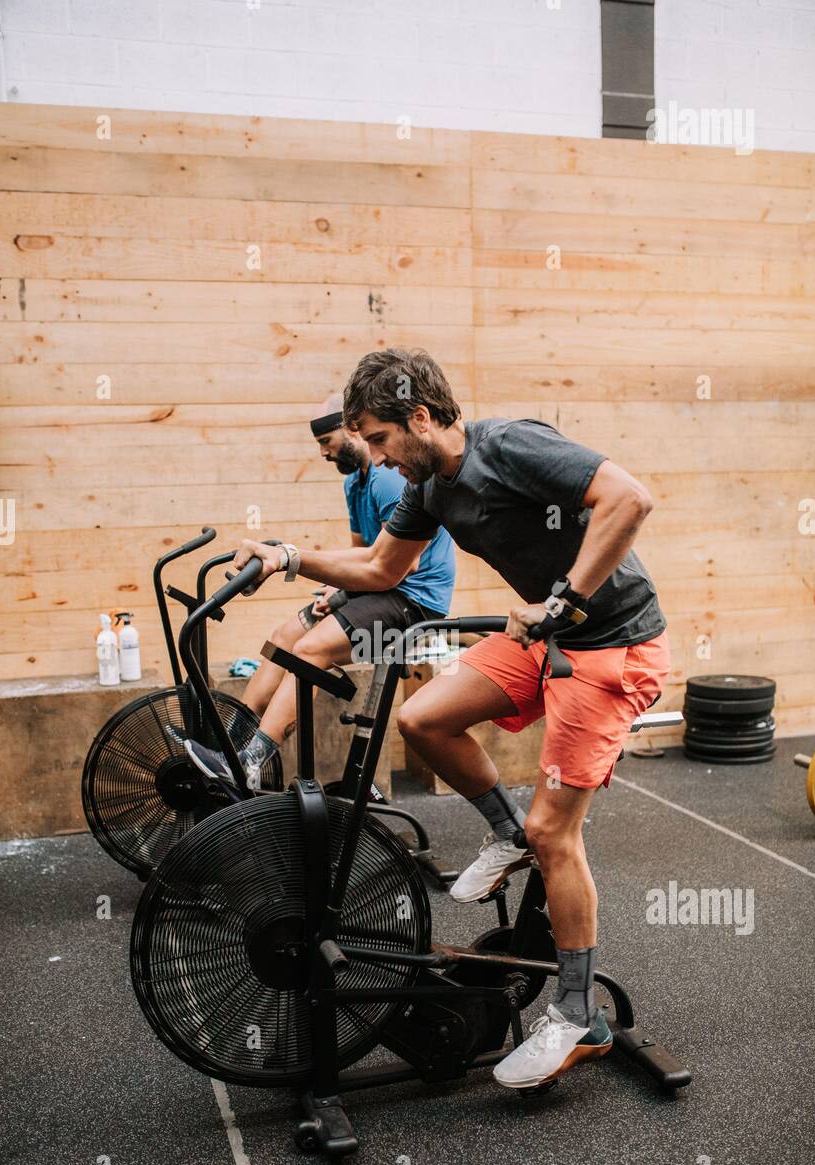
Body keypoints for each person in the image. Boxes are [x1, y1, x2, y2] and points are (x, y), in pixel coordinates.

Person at [222, 348, 672, 1093]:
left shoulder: (511, 447)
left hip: (612, 644)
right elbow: (378, 571)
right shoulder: (426, 487)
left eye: (378, 436)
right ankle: (503, 831)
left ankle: (574, 1015)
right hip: (544, 637)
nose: (373, 454)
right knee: (425, 719)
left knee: (554, 832)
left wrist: (564, 600)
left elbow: (631, 498)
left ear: (421, 417)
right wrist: (291, 558)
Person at [184, 391, 455, 787]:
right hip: (378, 591)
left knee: (310, 650)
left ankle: (251, 765)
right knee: (283, 638)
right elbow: (362, 554)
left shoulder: (386, 481)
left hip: (414, 603)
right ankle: (231, 746)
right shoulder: (355, 485)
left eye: (326, 443)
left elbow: (399, 567)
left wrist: (341, 591)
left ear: (352, 432)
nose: (324, 454)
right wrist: (334, 588)